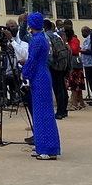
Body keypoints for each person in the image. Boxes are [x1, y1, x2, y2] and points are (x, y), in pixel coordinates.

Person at [22, 12, 60, 160]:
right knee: (40, 112)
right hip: (41, 74)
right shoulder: (41, 38)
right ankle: (42, 145)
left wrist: (25, 74)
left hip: (39, 76)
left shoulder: (37, 40)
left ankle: (48, 148)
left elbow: (32, 59)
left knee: (42, 113)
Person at [44, 20, 69, 119]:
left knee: (57, 89)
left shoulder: (46, 36)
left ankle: (59, 112)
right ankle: (64, 110)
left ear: (45, 26)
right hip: (61, 63)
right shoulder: (57, 35)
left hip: (53, 64)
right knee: (62, 87)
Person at [65, 24, 86, 111]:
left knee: (74, 84)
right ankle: (81, 103)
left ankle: (75, 104)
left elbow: (73, 50)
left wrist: (66, 44)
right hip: (74, 63)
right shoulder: (73, 40)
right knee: (76, 85)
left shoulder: (73, 40)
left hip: (74, 63)